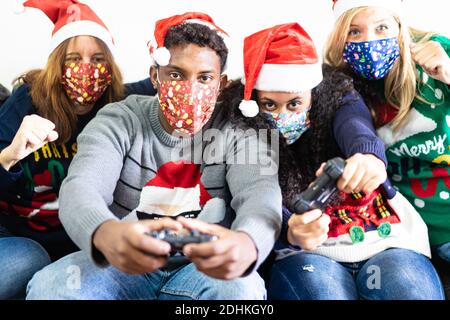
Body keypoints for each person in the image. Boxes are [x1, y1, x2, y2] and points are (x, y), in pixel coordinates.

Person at [25, 12, 282, 300]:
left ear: (220, 84)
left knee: (242, 290)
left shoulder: (242, 128)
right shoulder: (118, 118)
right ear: (155, 77)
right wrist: (105, 233)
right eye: (176, 74)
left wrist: (248, 243)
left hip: (204, 267)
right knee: (52, 287)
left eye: (205, 78)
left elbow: (262, 195)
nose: (190, 89)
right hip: (123, 261)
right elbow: (81, 187)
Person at [221, 22, 443, 299]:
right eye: (269, 105)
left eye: (294, 104)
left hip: (385, 239)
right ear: (253, 101)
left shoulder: (338, 95)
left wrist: (369, 157)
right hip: (305, 253)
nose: (282, 115)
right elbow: (255, 195)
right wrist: (290, 232)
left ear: (314, 94)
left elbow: (356, 125)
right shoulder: (241, 128)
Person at [0, 0, 155, 300]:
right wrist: (10, 156)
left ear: (110, 67)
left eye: (98, 59)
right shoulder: (26, 102)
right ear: (57, 65)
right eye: (74, 59)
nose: (87, 69)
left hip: (79, 243)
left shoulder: (121, 104)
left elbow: (172, 79)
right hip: (18, 236)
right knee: (28, 259)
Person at [325, 0, 450, 267]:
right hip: (417, 231)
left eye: (382, 27)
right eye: (354, 31)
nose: (369, 41)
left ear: (399, 27)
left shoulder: (438, 51)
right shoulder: (342, 87)